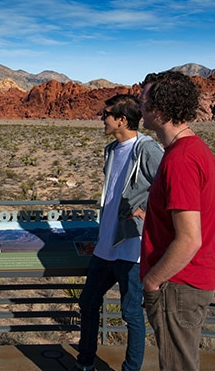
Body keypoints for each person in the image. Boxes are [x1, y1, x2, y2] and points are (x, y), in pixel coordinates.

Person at [72, 94, 163, 371]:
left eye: (107, 114)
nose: (102, 118)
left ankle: (130, 368)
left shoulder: (147, 149)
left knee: (131, 313)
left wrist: (147, 214)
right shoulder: (111, 149)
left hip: (131, 247)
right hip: (106, 245)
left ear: (122, 119)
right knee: (88, 303)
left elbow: (169, 186)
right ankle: (85, 361)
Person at [139, 71, 215, 371]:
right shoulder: (192, 150)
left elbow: (189, 239)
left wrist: (153, 280)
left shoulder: (181, 160)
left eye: (144, 100)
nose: (140, 107)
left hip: (178, 285)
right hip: (187, 282)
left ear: (161, 109)